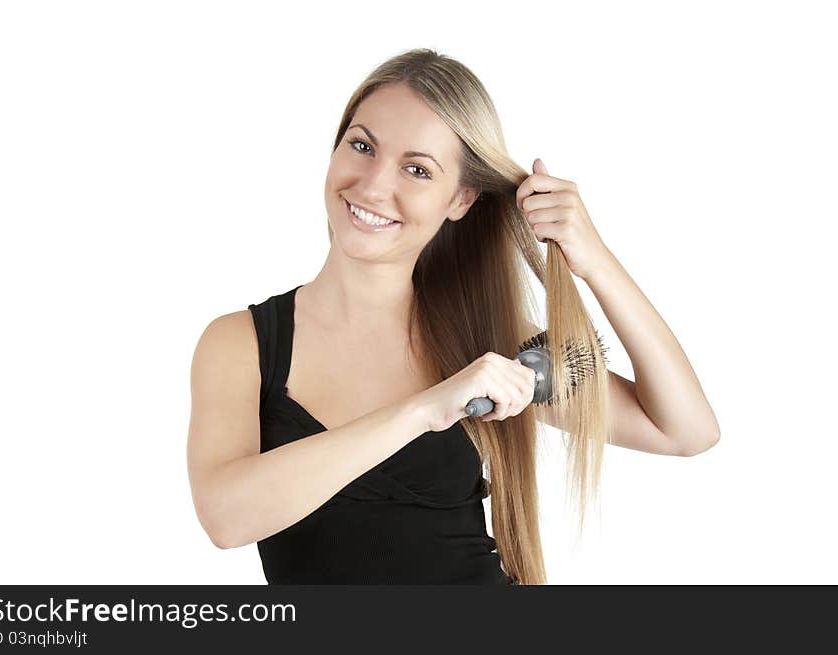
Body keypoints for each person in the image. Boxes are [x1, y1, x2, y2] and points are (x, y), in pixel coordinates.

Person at [186, 48, 721, 585]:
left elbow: (684, 430)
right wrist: (424, 410)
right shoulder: (242, 344)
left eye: (417, 169)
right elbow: (226, 518)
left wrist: (596, 260)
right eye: (362, 145)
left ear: (461, 199)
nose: (372, 186)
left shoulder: (481, 347)